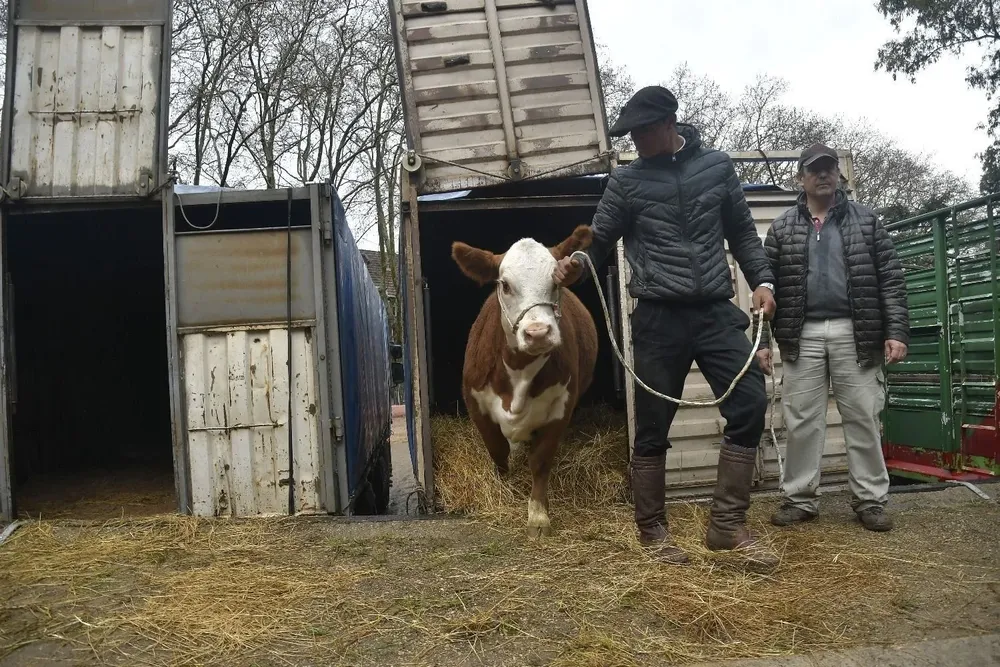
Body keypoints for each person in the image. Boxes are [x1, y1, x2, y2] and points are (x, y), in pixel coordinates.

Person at [553, 85, 779, 572]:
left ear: (668, 125)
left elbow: (742, 232)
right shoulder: (626, 182)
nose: (634, 141)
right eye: (630, 134)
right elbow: (599, 239)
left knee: (749, 403)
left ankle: (727, 525)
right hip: (658, 316)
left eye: (641, 131)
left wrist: (762, 280)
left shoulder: (717, 168)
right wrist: (576, 263)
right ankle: (652, 530)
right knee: (653, 423)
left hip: (715, 310)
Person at [756, 143, 909, 532]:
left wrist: (896, 332)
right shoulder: (782, 228)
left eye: (829, 168)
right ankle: (799, 499)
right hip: (800, 334)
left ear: (838, 176)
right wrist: (762, 343)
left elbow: (891, 281)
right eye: (814, 169)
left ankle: (870, 500)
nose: (823, 174)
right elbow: (764, 289)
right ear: (800, 178)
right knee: (801, 421)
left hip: (856, 332)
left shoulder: (867, 222)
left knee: (863, 417)